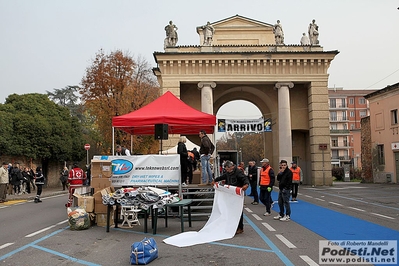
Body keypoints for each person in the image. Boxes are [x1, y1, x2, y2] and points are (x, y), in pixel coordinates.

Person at [212, 160, 249, 235]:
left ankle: (240, 227)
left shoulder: (238, 172)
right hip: (230, 193)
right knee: (230, 210)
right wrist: (215, 180)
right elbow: (223, 176)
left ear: (231, 167)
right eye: (226, 169)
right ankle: (233, 226)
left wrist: (246, 185)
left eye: (228, 169)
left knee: (238, 210)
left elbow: (244, 179)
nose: (227, 171)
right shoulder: (228, 173)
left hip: (237, 193)